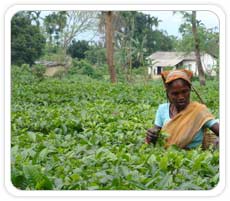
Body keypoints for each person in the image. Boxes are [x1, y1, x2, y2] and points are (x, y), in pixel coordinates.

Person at [145, 69, 219, 149]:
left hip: (195, 158)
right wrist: (152, 135)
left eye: (184, 91)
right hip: (167, 157)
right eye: (175, 93)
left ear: (190, 89)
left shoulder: (199, 111)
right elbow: (154, 133)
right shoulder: (162, 109)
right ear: (168, 93)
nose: (181, 97)